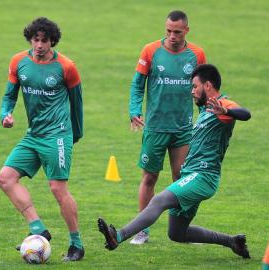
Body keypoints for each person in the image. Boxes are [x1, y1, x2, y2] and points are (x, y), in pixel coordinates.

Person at [98, 64, 251, 259]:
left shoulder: (224, 104)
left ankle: (117, 235)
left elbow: (246, 114)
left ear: (208, 85)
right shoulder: (207, 110)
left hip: (203, 176)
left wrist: (226, 112)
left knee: (160, 200)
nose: (192, 91)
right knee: (177, 233)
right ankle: (232, 241)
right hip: (192, 175)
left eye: (195, 86)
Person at [0, 17, 84, 261]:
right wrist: (5, 114)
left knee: (58, 188)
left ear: (52, 41)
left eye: (44, 41)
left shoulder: (66, 66)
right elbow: (8, 96)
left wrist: (75, 134)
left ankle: (76, 244)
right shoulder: (18, 62)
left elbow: (77, 103)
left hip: (57, 136)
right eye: (36, 39)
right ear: (30, 39)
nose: (39, 45)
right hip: (33, 135)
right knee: (6, 178)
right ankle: (38, 229)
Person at [128, 10, 206, 244]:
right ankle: (142, 231)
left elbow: (203, 88)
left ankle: (181, 230)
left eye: (177, 32)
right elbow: (137, 84)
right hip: (155, 127)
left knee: (182, 179)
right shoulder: (150, 50)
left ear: (186, 31)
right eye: (168, 31)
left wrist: (204, 116)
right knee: (149, 177)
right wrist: (134, 110)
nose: (172, 36)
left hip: (183, 128)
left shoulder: (197, 54)